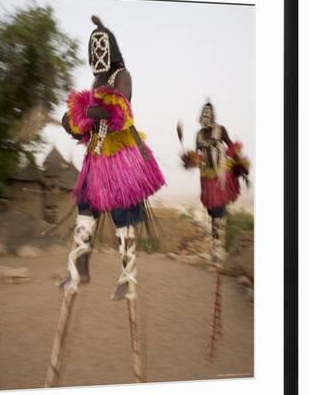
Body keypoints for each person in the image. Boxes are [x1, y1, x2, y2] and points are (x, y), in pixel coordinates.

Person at [60, 15, 166, 300]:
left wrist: (86, 111)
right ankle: (79, 266)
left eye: (102, 47)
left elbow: (119, 109)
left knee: (123, 213)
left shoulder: (122, 75)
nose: (97, 53)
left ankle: (127, 277)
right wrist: (73, 122)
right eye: (94, 49)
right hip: (97, 155)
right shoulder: (97, 80)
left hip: (121, 155)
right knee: (85, 203)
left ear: (112, 48)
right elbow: (90, 121)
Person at [181, 101, 250, 265]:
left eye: (209, 113)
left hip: (221, 175)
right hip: (206, 176)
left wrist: (240, 166)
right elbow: (197, 154)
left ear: (213, 115)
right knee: (212, 212)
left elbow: (231, 146)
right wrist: (190, 160)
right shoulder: (198, 134)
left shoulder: (221, 130)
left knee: (219, 211)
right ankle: (216, 249)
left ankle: (219, 251)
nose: (206, 116)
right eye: (204, 113)